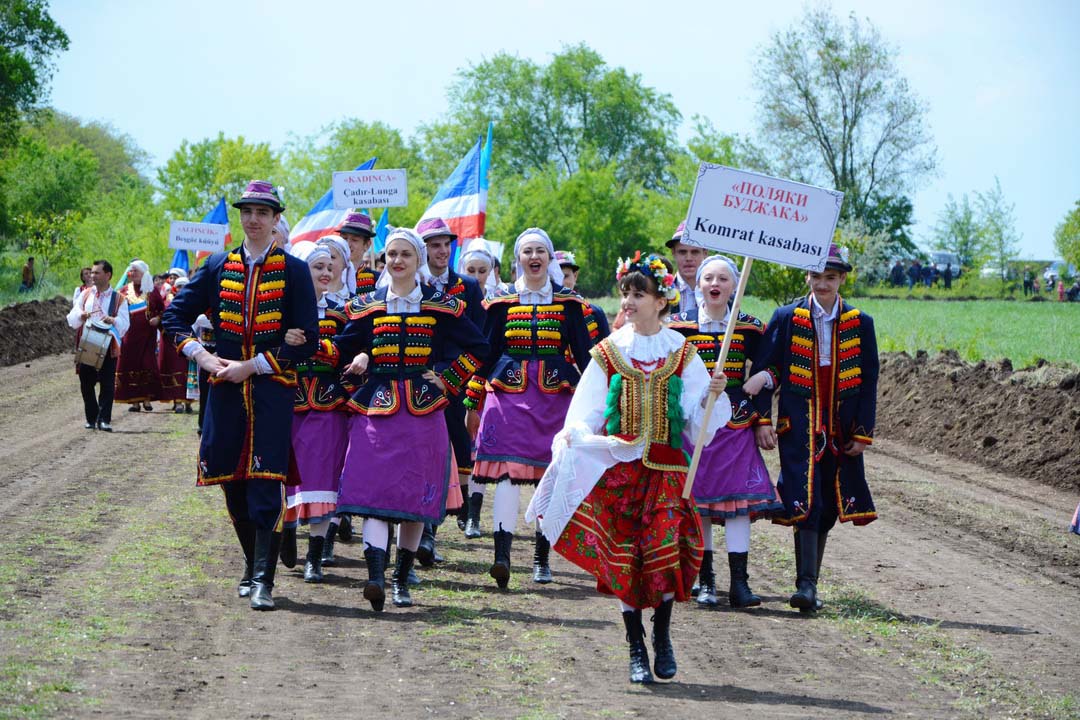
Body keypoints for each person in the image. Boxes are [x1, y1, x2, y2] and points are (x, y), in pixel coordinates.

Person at [526, 251, 729, 684]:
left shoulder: (682, 352)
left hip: (668, 469)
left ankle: (663, 632)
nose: (630, 302)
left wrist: (712, 395)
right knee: (624, 558)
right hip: (619, 472)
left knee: (666, 551)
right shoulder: (608, 352)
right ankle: (636, 645)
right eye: (627, 293)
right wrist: (576, 437)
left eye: (639, 294)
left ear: (662, 301)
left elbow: (699, 421)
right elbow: (585, 412)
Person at [163, 180, 318, 611]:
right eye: (247, 211)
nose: (253, 219)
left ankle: (265, 582)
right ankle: (251, 566)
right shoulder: (217, 265)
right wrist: (203, 357)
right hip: (225, 395)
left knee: (266, 484)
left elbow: (307, 341)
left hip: (271, 391)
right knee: (230, 481)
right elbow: (174, 316)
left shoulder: (295, 270)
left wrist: (253, 366)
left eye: (263, 213)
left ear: (276, 219)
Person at [331, 227, 488, 611]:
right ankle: (374, 577)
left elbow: (480, 346)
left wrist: (449, 380)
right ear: (384, 261)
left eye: (405, 254)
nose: (397, 261)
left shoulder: (440, 304)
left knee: (415, 495)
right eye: (392, 255)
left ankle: (400, 580)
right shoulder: (368, 305)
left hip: (423, 410)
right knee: (373, 491)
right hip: (378, 408)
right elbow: (342, 349)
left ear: (419, 261)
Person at [744, 243, 879, 614]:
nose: (822, 284)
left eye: (830, 278)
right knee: (805, 498)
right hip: (799, 421)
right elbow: (765, 369)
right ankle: (807, 585)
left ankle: (810, 582)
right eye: (817, 276)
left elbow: (869, 381)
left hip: (842, 422)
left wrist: (863, 430)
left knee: (833, 502)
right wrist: (763, 420)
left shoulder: (860, 322)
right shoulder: (786, 317)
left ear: (842, 279)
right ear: (807, 276)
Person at [465, 228, 594, 589]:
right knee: (506, 475)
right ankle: (501, 557)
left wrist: (602, 398)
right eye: (527, 251)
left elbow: (586, 357)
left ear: (550, 258)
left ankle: (541, 558)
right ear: (517, 260)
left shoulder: (569, 304)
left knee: (546, 478)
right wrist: (472, 399)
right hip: (506, 397)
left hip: (555, 399)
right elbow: (484, 353)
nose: (534, 257)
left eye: (540, 251)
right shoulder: (501, 301)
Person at [668, 255, 784, 608]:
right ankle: (706, 582)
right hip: (694, 426)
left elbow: (772, 369)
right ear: (699, 284)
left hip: (735, 424)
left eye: (723, 279)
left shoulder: (750, 327)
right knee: (699, 503)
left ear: (735, 285)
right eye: (709, 278)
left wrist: (763, 401)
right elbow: (669, 377)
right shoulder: (678, 327)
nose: (715, 284)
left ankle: (740, 584)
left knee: (738, 505)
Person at [280, 242, 351, 584]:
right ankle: (289, 530)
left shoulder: (342, 312)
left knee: (323, 478)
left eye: (329, 266)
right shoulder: (283, 312)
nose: (325, 272)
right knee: (286, 475)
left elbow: (347, 352)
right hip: (288, 403)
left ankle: (316, 556)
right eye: (316, 266)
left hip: (328, 406)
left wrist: (324, 350)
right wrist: (285, 340)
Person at [417, 217, 487, 557]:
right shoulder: (411, 286)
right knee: (423, 453)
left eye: (446, 244)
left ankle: (439, 526)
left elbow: (480, 341)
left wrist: (452, 380)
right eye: (434, 244)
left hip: (455, 383)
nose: (442, 250)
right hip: (416, 380)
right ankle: (424, 532)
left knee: (455, 451)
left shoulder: (469, 287)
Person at [67, 260, 130, 431]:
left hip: (108, 344)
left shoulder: (119, 299)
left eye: (96, 273)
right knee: (86, 382)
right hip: (88, 342)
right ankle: (92, 416)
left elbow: (125, 323)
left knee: (107, 383)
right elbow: (73, 315)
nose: (92, 276)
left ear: (108, 275)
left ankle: (104, 419)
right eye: (92, 272)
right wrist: (81, 314)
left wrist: (113, 320)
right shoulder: (86, 294)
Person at [115, 260, 163, 411]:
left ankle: (147, 399)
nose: (133, 274)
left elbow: (163, 310)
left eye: (136, 271)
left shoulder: (152, 291)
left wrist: (158, 319)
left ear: (143, 273)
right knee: (130, 365)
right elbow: (116, 311)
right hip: (129, 336)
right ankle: (134, 401)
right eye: (131, 271)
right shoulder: (123, 291)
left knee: (147, 364)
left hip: (148, 336)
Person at [555, 250, 611, 345]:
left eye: (565, 276)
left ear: (575, 276)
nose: (561, 283)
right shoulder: (541, 315)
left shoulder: (595, 313)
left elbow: (608, 355)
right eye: (556, 277)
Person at [159, 269, 191, 413]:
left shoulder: (194, 301)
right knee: (174, 368)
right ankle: (177, 401)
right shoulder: (166, 301)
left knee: (188, 370)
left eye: (184, 286)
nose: (181, 289)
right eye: (178, 286)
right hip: (170, 340)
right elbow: (161, 317)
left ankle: (189, 401)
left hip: (188, 339)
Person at [667, 221, 707, 314]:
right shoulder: (659, 292)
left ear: (705, 253)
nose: (689, 258)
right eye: (682, 252)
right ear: (673, 253)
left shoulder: (719, 292)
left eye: (695, 252)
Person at [339, 212, 379, 295]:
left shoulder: (378, 280)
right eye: (344, 238)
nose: (348, 244)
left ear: (367, 245)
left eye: (354, 240)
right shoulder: (330, 276)